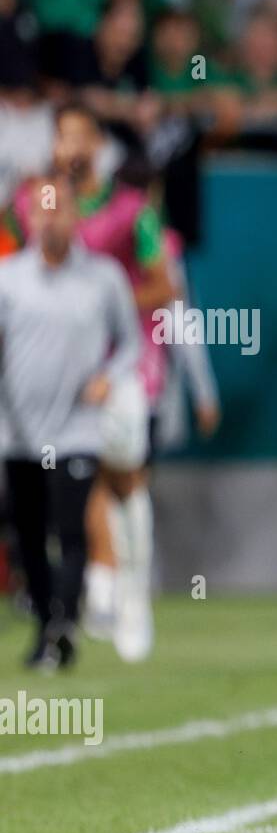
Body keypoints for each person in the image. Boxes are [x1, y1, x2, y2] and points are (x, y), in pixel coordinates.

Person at [11, 104, 175, 662]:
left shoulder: (131, 210)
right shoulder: (32, 200)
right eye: (63, 138)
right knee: (68, 490)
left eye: (81, 137)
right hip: (47, 371)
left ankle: (129, 592)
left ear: (99, 144)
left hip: (117, 367)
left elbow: (164, 287)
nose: (71, 149)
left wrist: (100, 308)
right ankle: (95, 595)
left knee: (122, 477)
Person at [0, 173, 139, 669]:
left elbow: (130, 343)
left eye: (58, 208)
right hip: (18, 433)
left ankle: (64, 625)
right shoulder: (8, 277)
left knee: (71, 528)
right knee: (29, 534)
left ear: (76, 215)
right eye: (41, 210)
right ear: (27, 217)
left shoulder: (104, 277)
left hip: (76, 428)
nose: (49, 218)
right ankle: (44, 626)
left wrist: (109, 376)